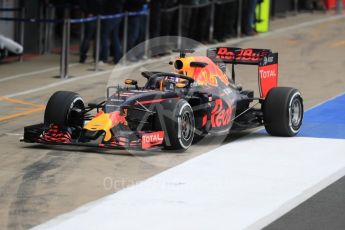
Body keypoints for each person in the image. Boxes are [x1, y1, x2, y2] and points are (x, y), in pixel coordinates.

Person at [100, 0, 125, 64]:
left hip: (110, 15)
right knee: (115, 37)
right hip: (117, 14)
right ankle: (117, 58)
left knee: (104, 35)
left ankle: (104, 58)